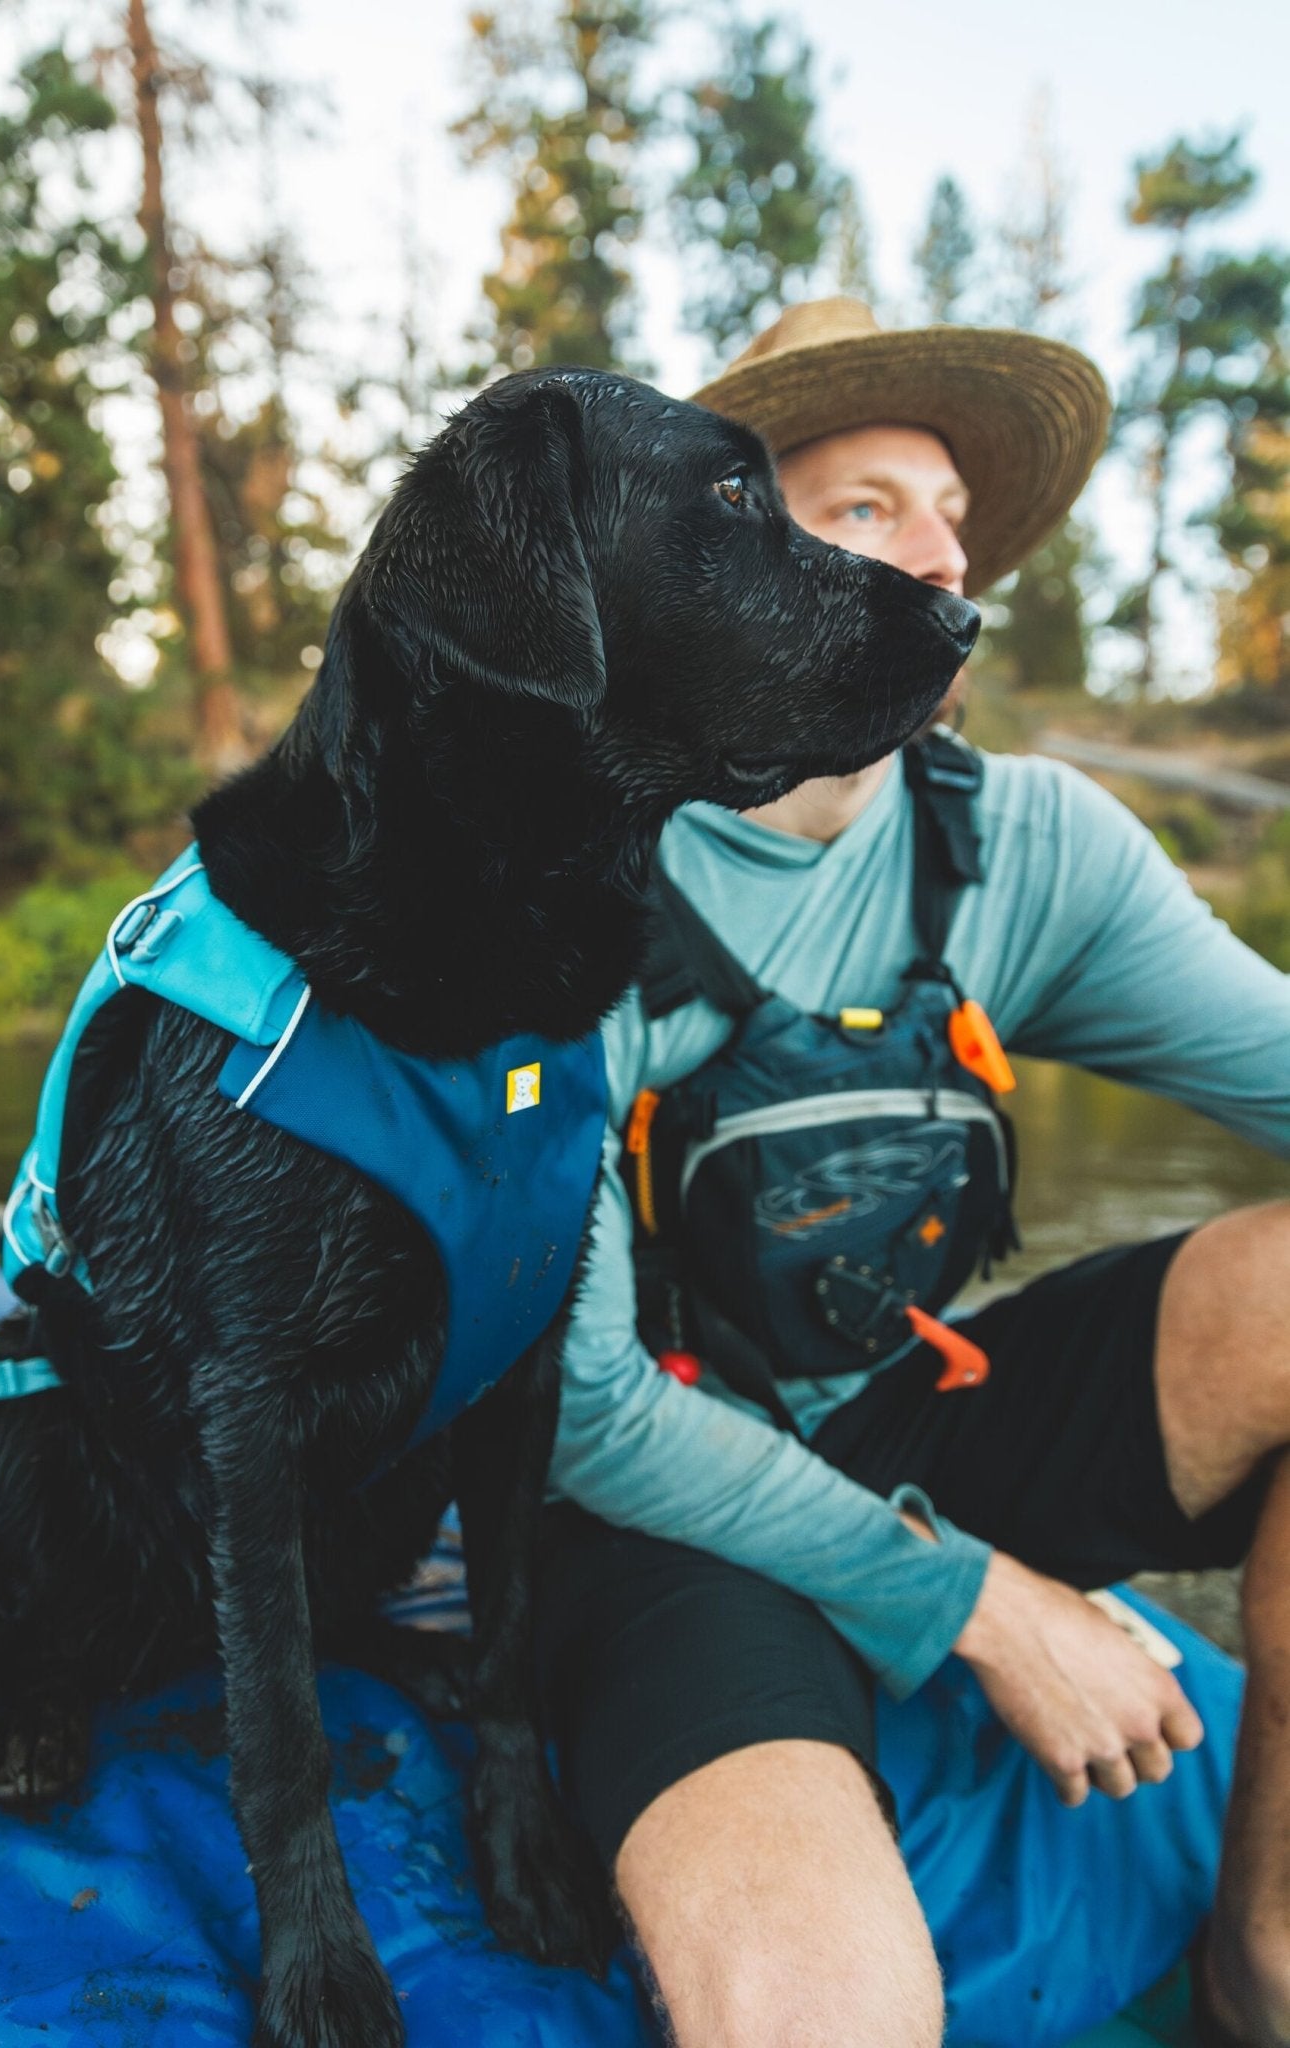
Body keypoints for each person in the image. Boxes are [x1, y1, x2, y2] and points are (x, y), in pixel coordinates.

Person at [533, 298, 1290, 2048]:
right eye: (863, 506)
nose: (946, 554)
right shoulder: (552, 885)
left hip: (914, 1415)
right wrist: (982, 1606)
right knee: (828, 2010)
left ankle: (1259, 1964)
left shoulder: (1027, 844)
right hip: (646, 1507)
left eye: (947, 509)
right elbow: (577, 1411)